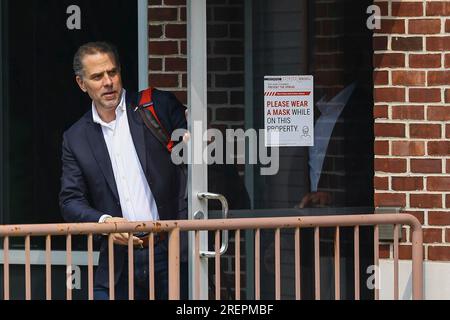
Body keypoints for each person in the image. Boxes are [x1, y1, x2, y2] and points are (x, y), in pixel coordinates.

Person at [59, 42, 187, 300]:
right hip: (117, 263)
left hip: (167, 252)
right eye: (97, 76)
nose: (108, 82)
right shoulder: (75, 137)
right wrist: (105, 222)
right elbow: (70, 200)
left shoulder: (155, 106)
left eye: (112, 72)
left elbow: (193, 146)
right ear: (82, 84)